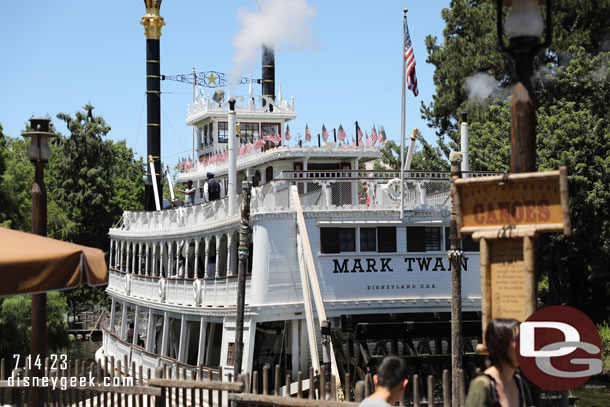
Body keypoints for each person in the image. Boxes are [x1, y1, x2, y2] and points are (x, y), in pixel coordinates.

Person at [465, 318, 533, 407]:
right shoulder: (483, 385)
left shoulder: (520, 384)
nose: (525, 345)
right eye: (517, 340)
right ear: (500, 345)